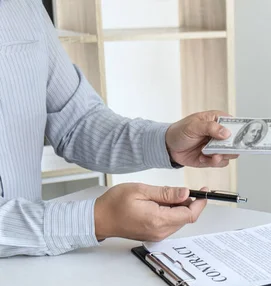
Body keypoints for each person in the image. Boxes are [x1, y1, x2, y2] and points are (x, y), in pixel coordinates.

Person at [0, 1, 236, 257]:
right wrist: (96, 220)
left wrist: (166, 143)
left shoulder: (23, 6)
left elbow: (78, 123)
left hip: (30, 269)